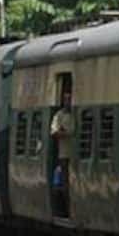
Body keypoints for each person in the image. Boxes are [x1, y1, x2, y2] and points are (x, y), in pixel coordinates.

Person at [48, 85, 75, 219]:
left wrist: (64, 132)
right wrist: (66, 133)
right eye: (65, 99)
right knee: (66, 185)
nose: (68, 102)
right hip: (64, 155)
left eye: (70, 99)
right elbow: (54, 132)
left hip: (76, 155)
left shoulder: (76, 114)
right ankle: (68, 211)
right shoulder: (59, 115)